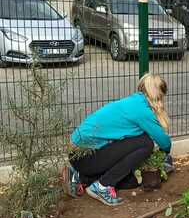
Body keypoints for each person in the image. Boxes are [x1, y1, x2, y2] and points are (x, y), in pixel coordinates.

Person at [62, 73, 172, 206]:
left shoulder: (133, 102)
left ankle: (79, 177)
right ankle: (102, 187)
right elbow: (163, 141)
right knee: (146, 143)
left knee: (130, 182)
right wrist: (165, 154)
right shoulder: (142, 110)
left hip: (82, 156)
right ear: (158, 95)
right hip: (84, 156)